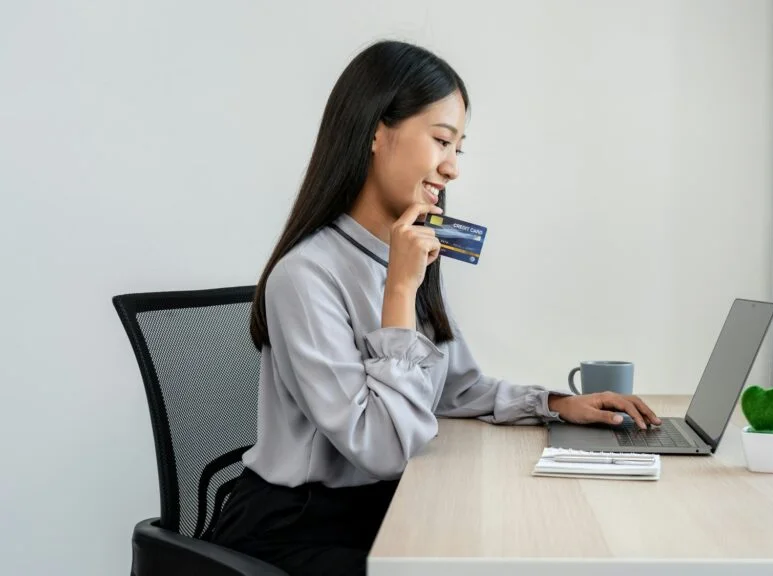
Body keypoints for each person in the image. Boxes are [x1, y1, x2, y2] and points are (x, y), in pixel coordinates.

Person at [209, 39, 661, 576]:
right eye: (442, 141)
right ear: (377, 131)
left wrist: (557, 404)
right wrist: (398, 293)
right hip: (295, 529)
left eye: (459, 149)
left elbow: (456, 388)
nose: (452, 170)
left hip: (380, 506)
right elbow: (381, 447)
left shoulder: (409, 250)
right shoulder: (306, 277)